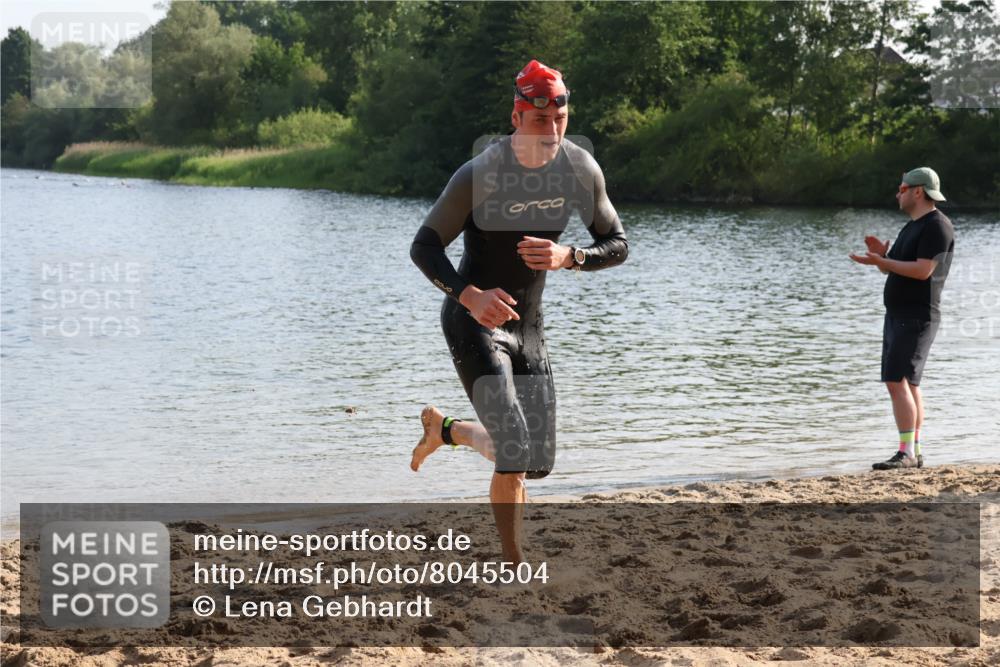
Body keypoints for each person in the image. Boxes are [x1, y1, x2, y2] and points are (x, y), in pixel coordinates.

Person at [408, 59, 628, 563]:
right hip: (474, 322)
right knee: (513, 452)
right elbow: (424, 248)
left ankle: (448, 430)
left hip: (528, 329)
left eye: (560, 119)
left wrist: (571, 257)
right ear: (516, 116)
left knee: (536, 462)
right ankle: (513, 561)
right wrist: (470, 297)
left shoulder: (578, 169)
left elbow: (616, 243)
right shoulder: (480, 173)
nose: (551, 131)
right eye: (539, 120)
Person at [850, 167, 955, 470]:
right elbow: (893, 267)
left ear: (918, 191)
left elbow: (923, 270)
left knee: (897, 381)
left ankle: (906, 452)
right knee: (907, 383)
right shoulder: (912, 226)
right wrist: (880, 258)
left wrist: (884, 261)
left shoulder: (936, 226)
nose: (898, 193)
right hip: (899, 315)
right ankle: (914, 451)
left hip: (917, 315)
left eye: (902, 188)